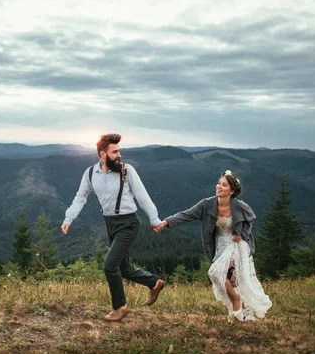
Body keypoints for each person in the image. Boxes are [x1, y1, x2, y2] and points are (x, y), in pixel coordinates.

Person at [61, 133, 165, 321]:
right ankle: (154, 282)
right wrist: (69, 218)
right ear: (103, 154)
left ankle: (120, 307)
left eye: (119, 151)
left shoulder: (127, 171)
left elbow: (143, 196)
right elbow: (80, 197)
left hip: (129, 223)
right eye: (114, 151)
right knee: (123, 268)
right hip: (110, 224)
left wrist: (154, 219)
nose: (119, 155)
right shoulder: (91, 173)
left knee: (110, 266)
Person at [153, 170, 272, 321]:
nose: (219, 187)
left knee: (215, 272)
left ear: (232, 191)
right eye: (218, 183)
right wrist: (165, 222)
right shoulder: (206, 205)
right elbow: (186, 214)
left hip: (237, 245)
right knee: (223, 276)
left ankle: (236, 301)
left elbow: (250, 219)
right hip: (220, 245)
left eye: (224, 185)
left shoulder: (240, 206)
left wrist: (241, 234)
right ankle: (236, 308)